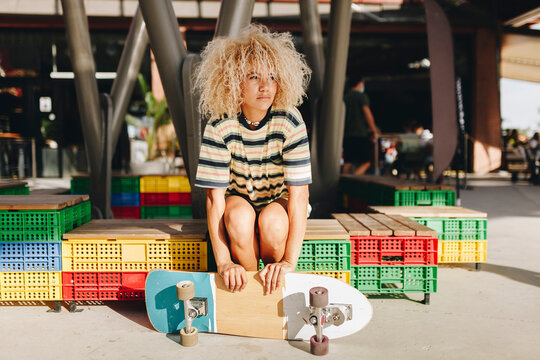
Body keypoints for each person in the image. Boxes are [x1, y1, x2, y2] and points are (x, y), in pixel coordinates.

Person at [193, 25, 312, 295]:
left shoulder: (289, 120)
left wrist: (289, 262)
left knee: (272, 223)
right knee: (237, 217)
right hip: (240, 200)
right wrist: (224, 263)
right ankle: (249, 282)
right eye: (254, 77)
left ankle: (274, 278)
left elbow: (300, 194)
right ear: (234, 81)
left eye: (272, 77)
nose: (266, 86)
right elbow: (215, 199)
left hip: (278, 202)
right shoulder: (220, 125)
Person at [342, 75, 379, 175]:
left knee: (348, 162)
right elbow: (367, 114)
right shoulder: (361, 97)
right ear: (360, 83)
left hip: (346, 134)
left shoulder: (344, 98)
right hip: (360, 134)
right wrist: (374, 130)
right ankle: (351, 181)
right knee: (366, 162)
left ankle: (342, 184)